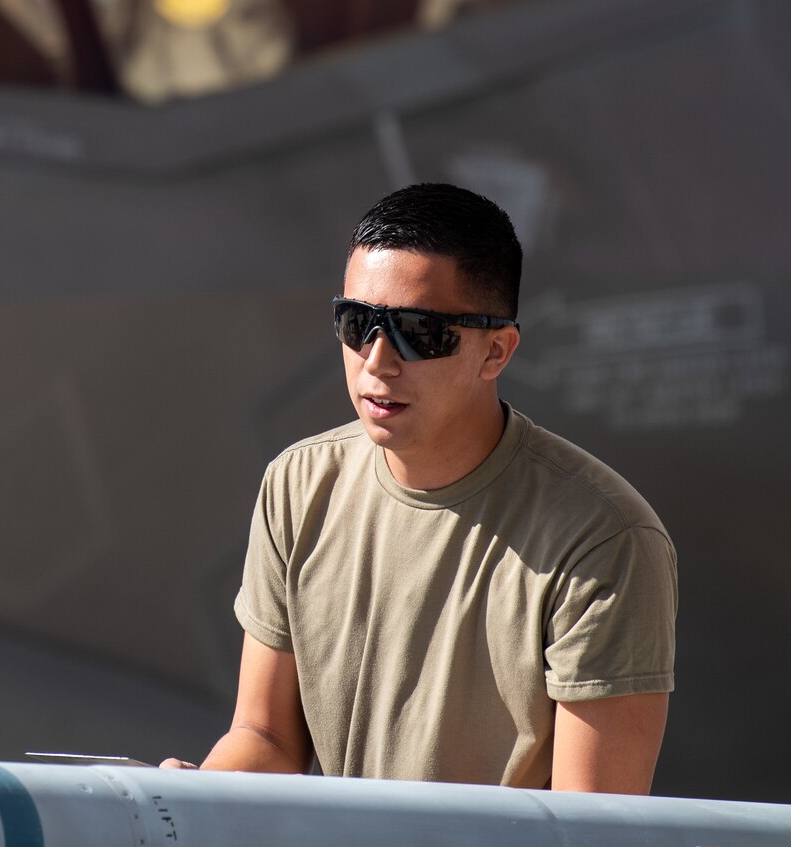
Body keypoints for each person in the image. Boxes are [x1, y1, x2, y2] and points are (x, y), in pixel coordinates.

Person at [162, 183, 676, 791]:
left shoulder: (603, 537)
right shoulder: (298, 485)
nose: (377, 360)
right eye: (357, 324)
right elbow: (268, 737)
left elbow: (587, 828)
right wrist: (189, 805)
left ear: (497, 351)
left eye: (419, 332)